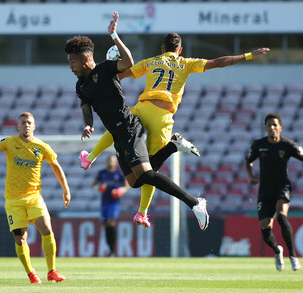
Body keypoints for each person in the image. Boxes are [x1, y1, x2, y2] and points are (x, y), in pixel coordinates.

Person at [79, 32, 270, 223]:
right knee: (150, 169)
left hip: (143, 108)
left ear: (162, 49)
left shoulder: (151, 61)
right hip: (163, 117)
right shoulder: (186, 63)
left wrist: (103, 71)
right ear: (180, 50)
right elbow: (219, 61)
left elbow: (121, 74)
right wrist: (249, 55)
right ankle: (142, 211)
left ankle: (91, 158)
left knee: (118, 125)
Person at [65, 11, 209, 231]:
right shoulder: (81, 86)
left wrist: (114, 35)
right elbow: (86, 106)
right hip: (117, 135)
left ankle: (194, 203)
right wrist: (88, 124)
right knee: (135, 182)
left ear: (85, 59)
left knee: (145, 173)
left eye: (72, 61)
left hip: (130, 127)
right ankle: (173, 146)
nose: (70, 66)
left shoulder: (105, 69)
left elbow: (128, 62)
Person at [0, 112, 70, 283]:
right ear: (18, 126)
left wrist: (66, 189)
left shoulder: (42, 147)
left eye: (29, 122)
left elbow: (56, 166)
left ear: (34, 126)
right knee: (20, 239)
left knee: (47, 230)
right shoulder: (9, 142)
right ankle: (31, 273)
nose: (26, 125)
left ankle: (52, 271)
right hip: (14, 201)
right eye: (23, 122)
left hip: (34, 197)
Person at [245, 112, 303, 271]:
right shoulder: (258, 145)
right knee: (265, 229)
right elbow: (248, 161)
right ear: (266, 128)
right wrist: (250, 176)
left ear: (280, 127)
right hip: (265, 191)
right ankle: (277, 250)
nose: (272, 128)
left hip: (282, 187)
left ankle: (293, 257)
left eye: (275, 125)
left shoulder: (287, 145)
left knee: (281, 215)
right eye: (269, 125)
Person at [92, 155, 129, 256]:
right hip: (104, 203)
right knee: (106, 225)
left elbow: (127, 185)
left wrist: (121, 190)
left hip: (114, 203)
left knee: (111, 223)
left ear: (115, 162)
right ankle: (110, 250)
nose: (110, 162)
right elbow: (93, 185)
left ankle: (112, 250)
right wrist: (99, 188)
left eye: (112, 160)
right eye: (109, 160)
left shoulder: (118, 173)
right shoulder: (102, 173)